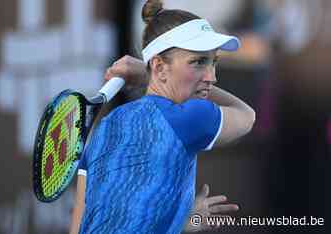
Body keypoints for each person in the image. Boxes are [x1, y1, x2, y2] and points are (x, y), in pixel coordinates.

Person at [70, 0, 255, 233]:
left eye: (213, 63)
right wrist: (142, 73)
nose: (211, 77)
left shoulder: (105, 128)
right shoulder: (192, 118)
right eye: (198, 62)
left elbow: (78, 228)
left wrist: (177, 224)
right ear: (159, 67)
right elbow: (247, 116)